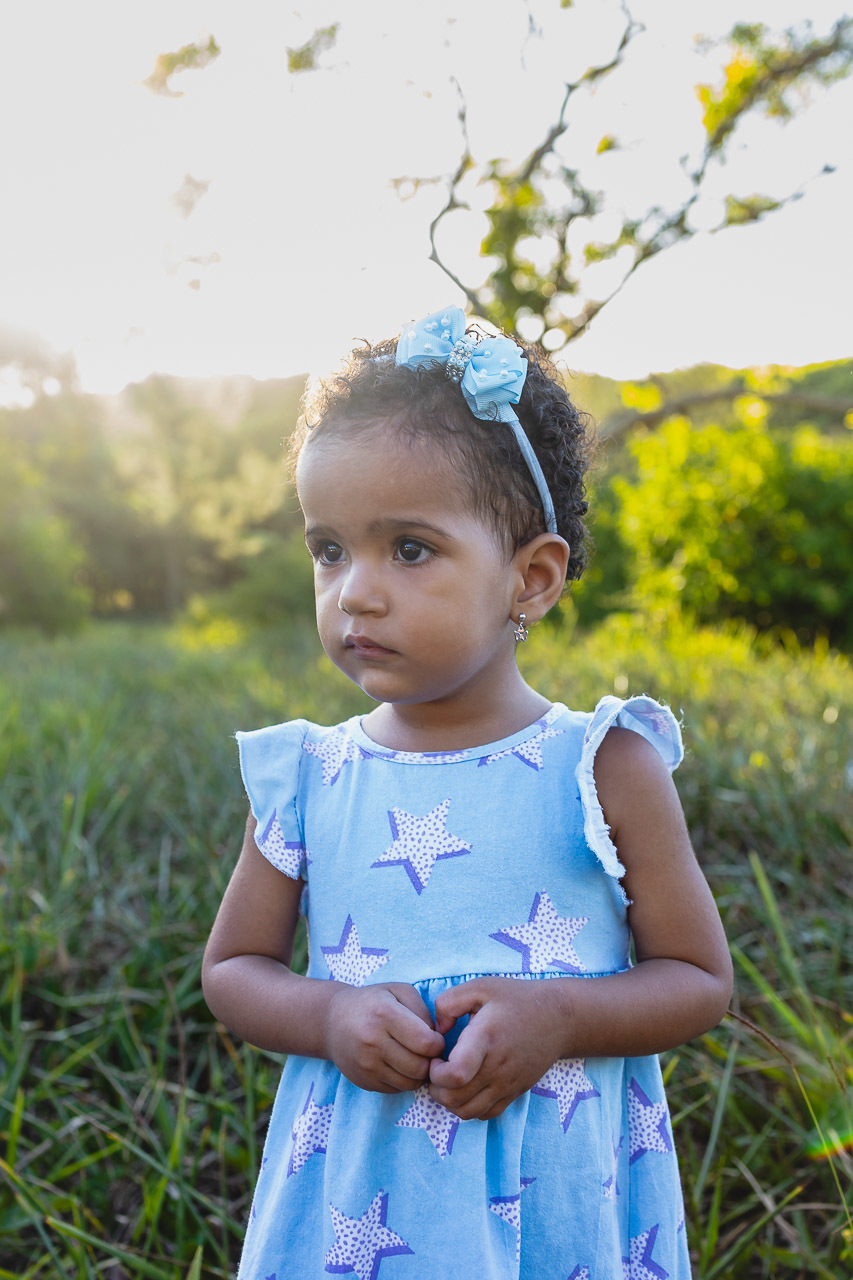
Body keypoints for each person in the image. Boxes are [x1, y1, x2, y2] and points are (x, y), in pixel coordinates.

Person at [202, 305, 733, 1279]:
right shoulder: (311, 774)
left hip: (552, 1203)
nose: (355, 590)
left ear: (530, 578)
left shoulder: (602, 763)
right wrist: (326, 1016)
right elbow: (235, 965)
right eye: (329, 548)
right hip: (363, 1206)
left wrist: (562, 1016)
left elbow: (699, 978)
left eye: (408, 548)